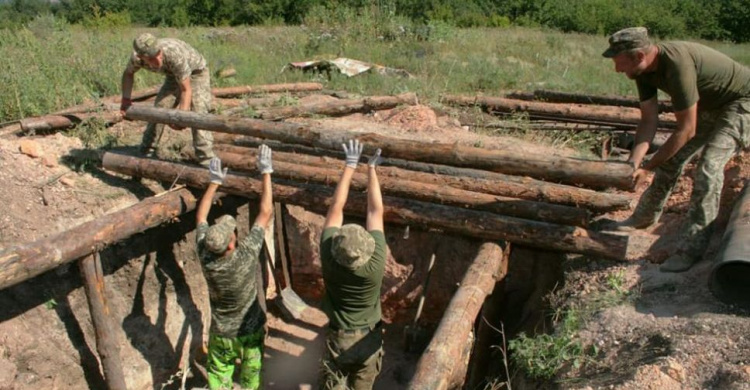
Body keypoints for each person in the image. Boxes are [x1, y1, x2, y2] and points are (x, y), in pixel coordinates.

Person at [599, 27, 750, 272]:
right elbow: (649, 120)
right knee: (671, 158)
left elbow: (686, 130)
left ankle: (692, 249)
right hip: (713, 104)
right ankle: (643, 217)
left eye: (620, 63)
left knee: (709, 167)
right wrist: (634, 163)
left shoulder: (676, 64)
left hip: (743, 101)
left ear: (639, 56)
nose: (617, 69)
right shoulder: (641, 71)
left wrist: (647, 168)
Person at [195, 145, 274, 389]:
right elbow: (266, 211)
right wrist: (266, 171)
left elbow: (199, 218)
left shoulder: (205, 255)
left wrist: (214, 182)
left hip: (220, 334)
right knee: (251, 380)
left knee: (219, 379)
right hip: (249, 332)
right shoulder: (246, 255)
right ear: (231, 243)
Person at [319, 140, 387, 390]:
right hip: (369, 340)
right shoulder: (375, 264)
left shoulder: (328, 255)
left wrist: (349, 165)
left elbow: (336, 207)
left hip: (339, 339)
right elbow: (375, 212)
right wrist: (370, 169)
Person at [120, 33, 215, 166]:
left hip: (197, 73)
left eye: (159, 54)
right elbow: (128, 74)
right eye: (151, 58)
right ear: (141, 57)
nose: (158, 60)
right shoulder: (136, 58)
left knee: (198, 114)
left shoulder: (173, 54)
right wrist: (125, 100)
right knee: (159, 110)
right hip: (173, 75)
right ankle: (146, 152)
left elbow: (186, 89)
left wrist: (182, 117)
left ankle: (206, 160)